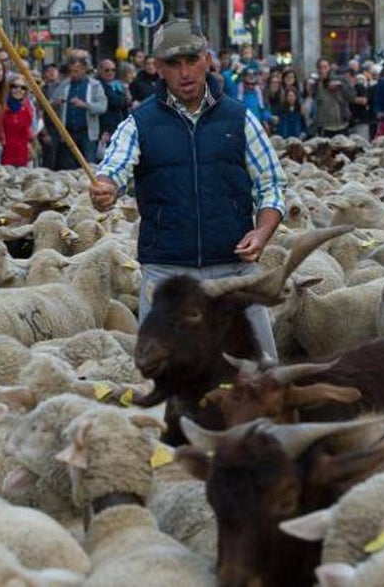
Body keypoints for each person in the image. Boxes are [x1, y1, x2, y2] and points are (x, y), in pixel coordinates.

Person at [88, 19, 287, 362]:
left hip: (234, 271)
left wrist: (263, 230)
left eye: (192, 60)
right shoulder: (140, 123)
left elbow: (270, 182)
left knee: (259, 376)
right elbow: (114, 168)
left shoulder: (239, 118)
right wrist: (106, 188)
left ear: (207, 59)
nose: (185, 72)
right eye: (173, 64)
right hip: (168, 277)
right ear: (158, 69)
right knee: (164, 379)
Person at [54, 49, 107, 170]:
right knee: (68, 167)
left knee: (89, 166)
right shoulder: (64, 84)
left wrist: (86, 105)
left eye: (76, 71)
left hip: (87, 134)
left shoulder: (95, 85)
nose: (73, 74)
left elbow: (103, 106)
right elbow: (52, 102)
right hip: (68, 132)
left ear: (84, 69)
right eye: (71, 71)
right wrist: (57, 103)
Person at [1, 75, 35, 167]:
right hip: (4, 151)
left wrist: (29, 146)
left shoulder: (27, 108)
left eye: (22, 88)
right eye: (14, 86)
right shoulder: (2, 107)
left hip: (22, 151)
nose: (18, 90)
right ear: (9, 88)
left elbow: (27, 130)